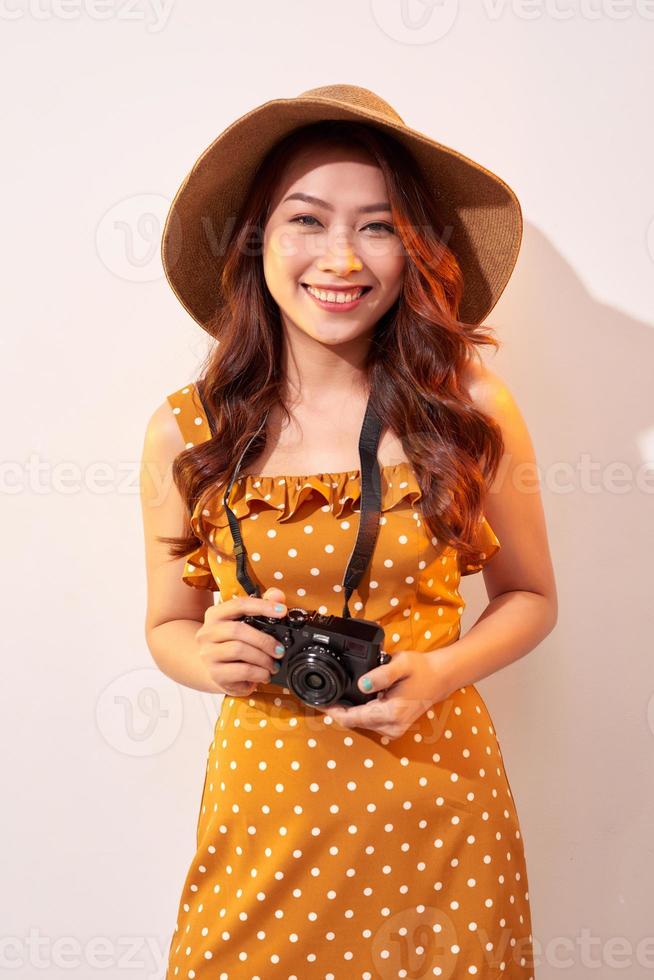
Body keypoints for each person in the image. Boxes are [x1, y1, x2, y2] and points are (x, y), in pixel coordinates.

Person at [140, 84, 557, 979]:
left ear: (414, 251)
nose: (341, 257)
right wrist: (205, 656)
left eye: (376, 226)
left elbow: (530, 597)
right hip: (267, 810)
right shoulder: (188, 429)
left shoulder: (471, 408)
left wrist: (440, 670)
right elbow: (167, 626)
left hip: (439, 806)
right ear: (255, 244)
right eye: (306, 221)